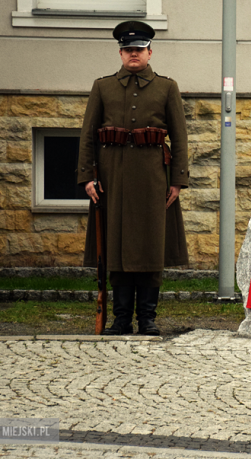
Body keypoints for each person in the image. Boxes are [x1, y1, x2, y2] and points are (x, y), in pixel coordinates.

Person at [77, 20, 189, 336]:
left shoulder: (167, 87)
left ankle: (147, 319)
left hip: (154, 179)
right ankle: (122, 318)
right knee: (115, 249)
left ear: (150, 52)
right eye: (128, 49)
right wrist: (87, 177)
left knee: (152, 248)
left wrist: (177, 180)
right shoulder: (103, 87)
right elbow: (88, 135)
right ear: (120, 53)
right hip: (111, 178)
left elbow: (180, 136)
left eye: (139, 48)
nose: (133, 54)